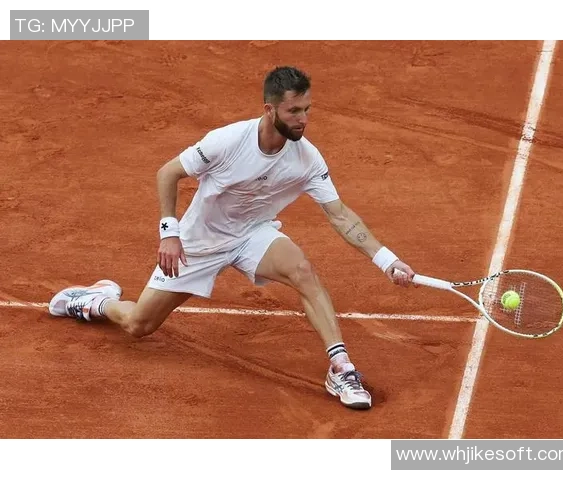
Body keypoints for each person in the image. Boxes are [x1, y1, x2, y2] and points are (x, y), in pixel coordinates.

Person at [48, 66, 416, 410]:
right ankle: (96, 301)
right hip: (199, 241)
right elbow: (168, 173)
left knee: (302, 271)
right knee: (138, 325)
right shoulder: (227, 141)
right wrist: (170, 233)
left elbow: (340, 215)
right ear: (269, 110)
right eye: (293, 111)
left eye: (306, 109)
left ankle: (340, 368)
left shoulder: (307, 158)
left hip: (252, 234)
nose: (303, 119)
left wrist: (386, 260)